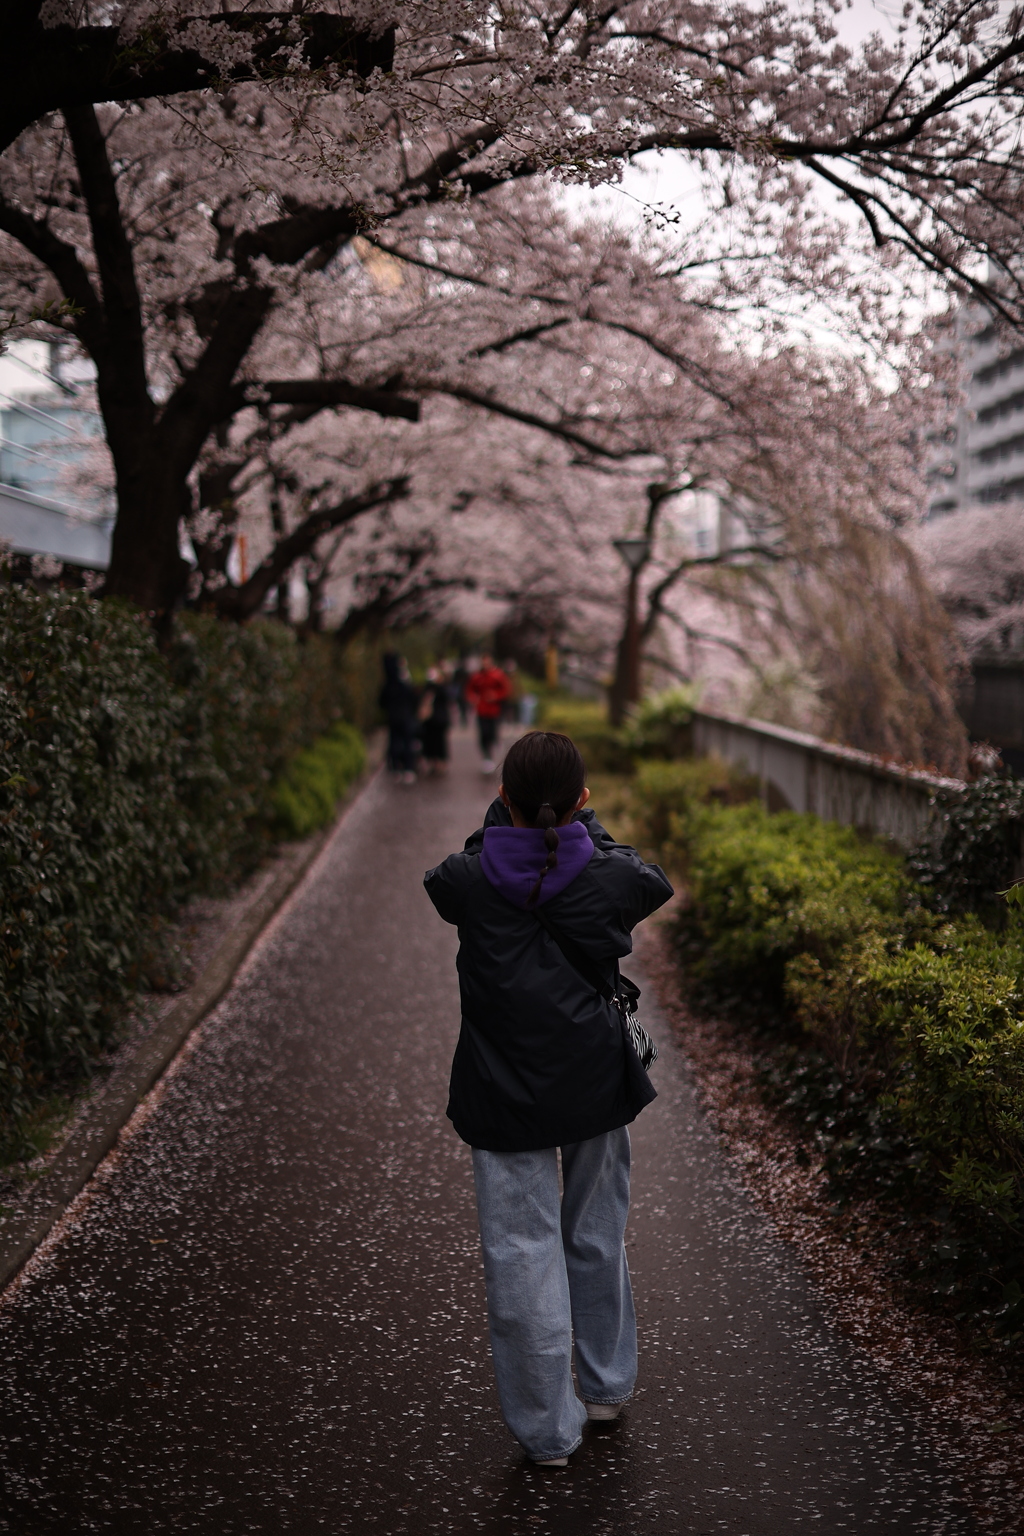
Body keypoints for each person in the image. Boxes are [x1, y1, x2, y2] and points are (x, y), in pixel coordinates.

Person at [423, 731, 673, 1467]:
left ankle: (546, 1433)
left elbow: (445, 877)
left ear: (503, 800)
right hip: (595, 1081)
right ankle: (604, 1388)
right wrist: (576, 830)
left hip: (502, 1091)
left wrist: (506, 825)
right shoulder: (607, 876)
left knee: (519, 1250)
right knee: (595, 1229)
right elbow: (649, 877)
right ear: (581, 805)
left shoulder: (468, 879)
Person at [465, 652, 510, 772]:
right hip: (481, 710)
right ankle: (486, 756)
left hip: (494, 711)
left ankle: (495, 744)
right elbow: (470, 690)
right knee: (483, 733)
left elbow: (505, 690)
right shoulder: (477, 677)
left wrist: (496, 696)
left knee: (492, 731)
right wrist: (473, 698)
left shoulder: (498, 675)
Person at [378, 652, 419, 784]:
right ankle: (407, 768)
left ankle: (397, 767)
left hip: (394, 718)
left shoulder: (389, 684)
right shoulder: (403, 682)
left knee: (396, 742)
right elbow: (413, 698)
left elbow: (381, 702)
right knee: (406, 743)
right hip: (404, 717)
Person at [418, 663, 452, 775]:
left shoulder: (440, 689)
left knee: (439, 742)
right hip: (430, 722)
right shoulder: (427, 688)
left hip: (439, 721)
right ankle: (433, 762)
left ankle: (440, 762)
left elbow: (446, 698)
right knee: (430, 743)